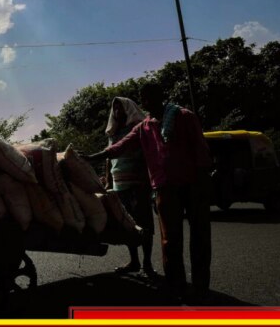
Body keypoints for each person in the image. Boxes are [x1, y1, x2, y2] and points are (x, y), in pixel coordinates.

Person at [85, 82, 212, 303]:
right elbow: (120, 147)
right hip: (164, 188)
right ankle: (176, 284)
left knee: (199, 236)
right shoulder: (144, 126)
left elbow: (201, 150)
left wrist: (202, 183)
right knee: (169, 240)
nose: (146, 101)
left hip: (193, 185)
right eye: (143, 98)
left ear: (161, 95)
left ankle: (201, 286)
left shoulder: (184, 116)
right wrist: (91, 157)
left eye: (150, 96)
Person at [104, 97, 155, 276]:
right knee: (128, 225)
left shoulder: (138, 130)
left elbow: (147, 156)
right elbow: (109, 158)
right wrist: (108, 180)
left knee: (144, 224)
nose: (117, 113)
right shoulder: (113, 134)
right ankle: (134, 261)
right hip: (119, 185)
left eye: (121, 109)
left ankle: (147, 263)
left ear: (128, 109)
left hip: (137, 183)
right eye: (115, 109)